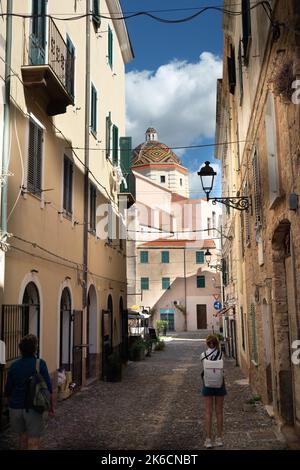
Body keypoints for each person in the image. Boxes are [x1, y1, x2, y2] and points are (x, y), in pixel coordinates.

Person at [4, 334, 54, 450]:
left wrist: (9, 405)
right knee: (33, 442)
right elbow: (48, 388)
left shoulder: (14, 366)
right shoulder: (40, 364)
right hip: (34, 408)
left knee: (22, 439)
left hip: (16, 408)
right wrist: (51, 407)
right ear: (35, 349)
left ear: (20, 349)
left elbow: (8, 389)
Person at [200, 334, 226, 448]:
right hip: (220, 385)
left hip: (208, 385)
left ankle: (208, 439)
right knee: (219, 412)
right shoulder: (221, 354)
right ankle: (219, 438)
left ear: (207, 343)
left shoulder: (203, 355)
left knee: (208, 412)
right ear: (216, 343)